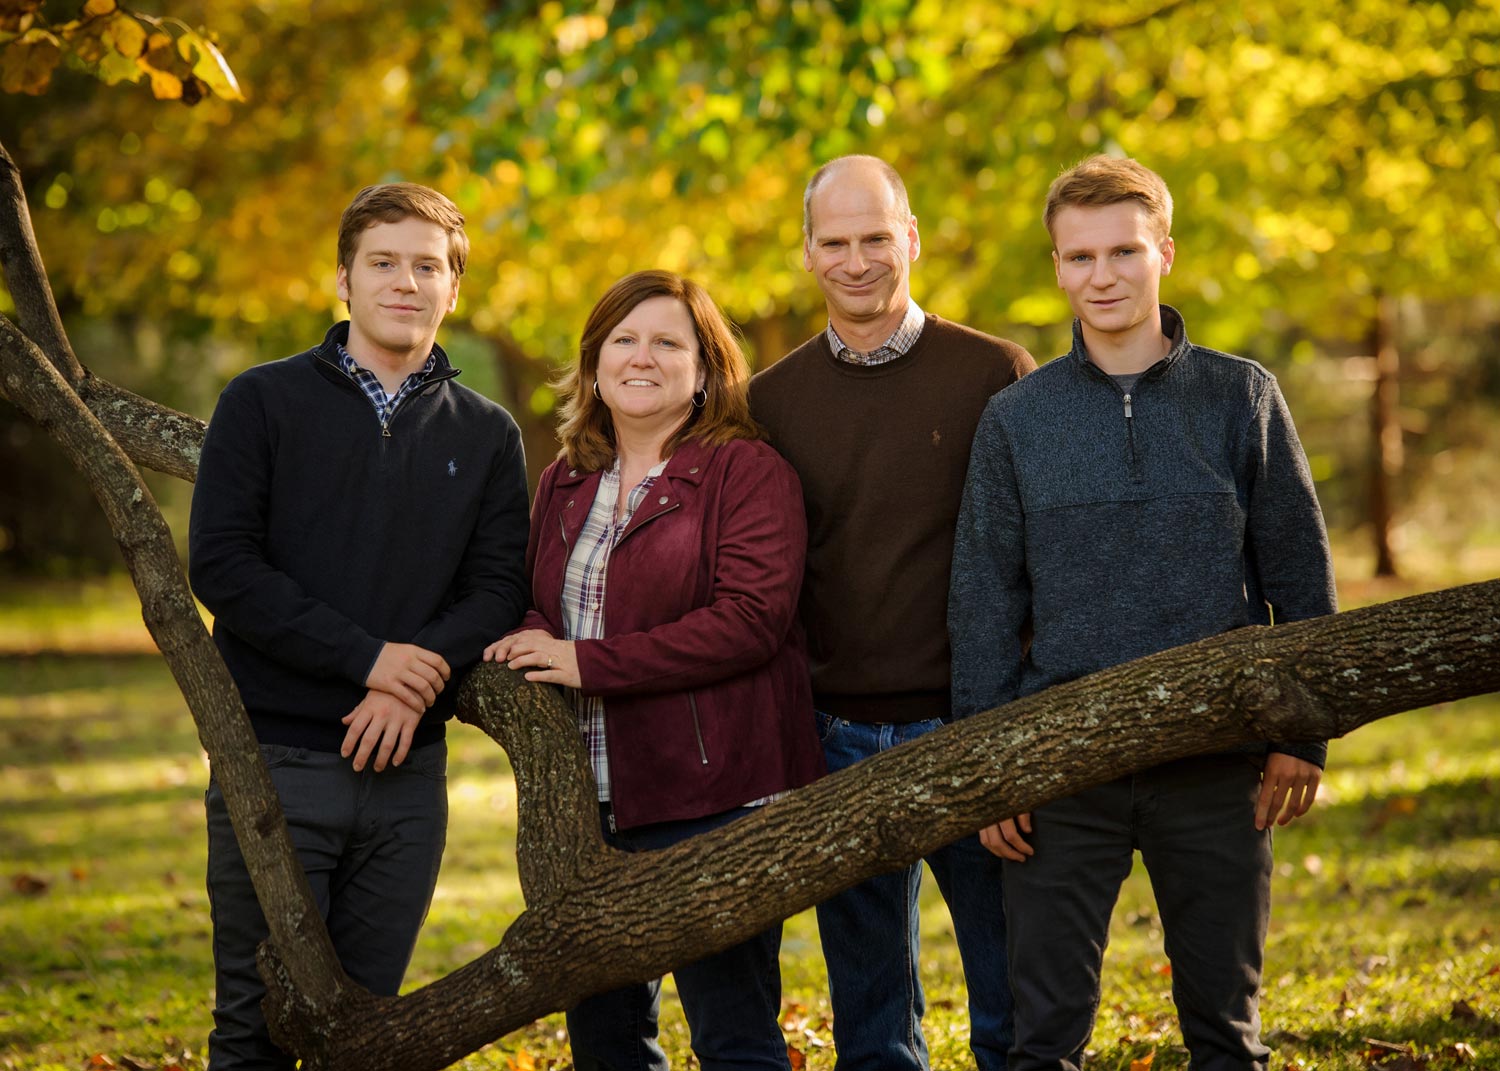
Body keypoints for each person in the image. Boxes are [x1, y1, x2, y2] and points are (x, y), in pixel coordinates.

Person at [949, 154, 1338, 1071]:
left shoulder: (1241, 395)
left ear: (1163, 250)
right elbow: (983, 599)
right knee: (1043, 1038)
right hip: (1061, 768)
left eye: (1123, 251)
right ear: (1057, 268)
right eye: (1080, 257)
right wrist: (993, 766)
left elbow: (1300, 570)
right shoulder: (1017, 418)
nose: (1103, 275)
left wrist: (1303, 731)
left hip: (1217, 762)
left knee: (1224, 1033)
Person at [188, 183, 530, 1070]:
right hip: (279, 765)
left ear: (455, 286)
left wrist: (415, 685)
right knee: (252, 1028)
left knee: (368, 1036)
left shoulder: (488, 433)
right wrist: (372, 660)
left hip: (408, 780)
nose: (405, 282)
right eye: (383, 262)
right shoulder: (261, 402)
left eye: (428, 265)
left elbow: (497, 590)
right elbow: (224, 567)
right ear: (344, 277)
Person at [483, 269, 823, 1071]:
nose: (643, 357)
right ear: (594, 363)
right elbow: (535, 602)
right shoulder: (564, 479)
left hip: (711, 794)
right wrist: (532, 636)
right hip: (583, 796)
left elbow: (751, 621)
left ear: (705, 369)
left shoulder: (749, 472)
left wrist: (583, 662)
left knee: (733, 1033)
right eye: (623, 340)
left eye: (668, 342)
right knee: (605, 1038)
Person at [749, 155, 1036, 1071]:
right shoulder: (772, 400)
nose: (857, 259)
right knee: (872, 1027)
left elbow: (1031, 560)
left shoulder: (995, 372)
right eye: (834, 241)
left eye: (876, 236)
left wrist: (1013, 738)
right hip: (837, 738)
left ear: (910, 237)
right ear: (806, 253)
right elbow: (775, 583)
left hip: (971, 726)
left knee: (1015, 1008)